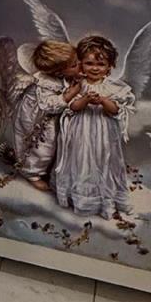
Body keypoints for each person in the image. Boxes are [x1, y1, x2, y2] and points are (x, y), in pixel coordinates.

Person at [52, 33, 134, 217]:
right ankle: (82, 198)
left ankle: (105, 199)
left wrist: (103, 101)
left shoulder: (113, 88)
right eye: (89, 63)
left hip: (104, 135)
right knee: (82, 161)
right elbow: (72, 106)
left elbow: (114, 110)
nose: (95, 68)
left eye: (101, 64)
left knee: (104, 162)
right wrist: (86, 99)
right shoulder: (76, 85)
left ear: (109, 67)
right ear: (80, 63)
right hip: (82, 132)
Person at [12, 39, 82, 191]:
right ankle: (31, 173)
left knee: (53, 143)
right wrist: (68, 96)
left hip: (48, 115)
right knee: (43, 146)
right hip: (37, 117)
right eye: (74, 65)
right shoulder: (44, 84)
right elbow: (48, 105)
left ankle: (44, 167)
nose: (80, 65)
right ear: (58, 72)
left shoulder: (60, 77)